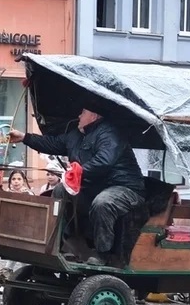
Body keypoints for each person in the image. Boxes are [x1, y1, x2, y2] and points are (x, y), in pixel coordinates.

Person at [9, 107, 146, 266]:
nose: (79, 115)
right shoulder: (75, 135)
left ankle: (104, 254)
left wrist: (79, 171)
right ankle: (65, 245)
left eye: (83, 112)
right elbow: (52, 143)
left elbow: (104, 161)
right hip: (97, 188)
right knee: (60, 190)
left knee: (103, 202)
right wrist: (24, 137)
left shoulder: (110, 133)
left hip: (125, 188)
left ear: (94, 116)